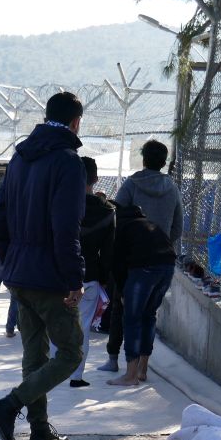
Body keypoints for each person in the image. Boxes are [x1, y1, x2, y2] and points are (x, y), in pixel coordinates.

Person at [0, 92, 86, 440]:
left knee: (34, 355)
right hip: (51, 278)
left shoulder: (19, 158)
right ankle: (8, 406)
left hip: (19, 273)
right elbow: (66, 228)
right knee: (71, 353)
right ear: (76, 122)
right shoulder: (68, 162)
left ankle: (40, 432)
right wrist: (74, 279)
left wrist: (11, 256)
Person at [50, 157, 115, 387]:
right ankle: (76, 377)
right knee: (83, 327)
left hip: (59, 273)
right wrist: (104, 279)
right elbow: (108, 251)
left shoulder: (60, 204)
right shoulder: (107, 211)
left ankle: (53, 373)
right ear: (95, 179)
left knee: (57, 324)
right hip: (90, 276)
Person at [106, 203, 175, 386]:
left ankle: (130, 375)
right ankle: (142, 370)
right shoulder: (150, 224)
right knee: (149, 315)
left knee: (132, 318)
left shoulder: (122, 227)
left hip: (144, 269)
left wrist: (122, 292)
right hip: (168, 266)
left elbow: (117, 264)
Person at [114, 140, 182, 244]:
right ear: (164, 164)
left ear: (143, 161)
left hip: (133, 249)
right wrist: (162, 242)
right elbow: (178, 228)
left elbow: (116, 216)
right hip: (162, 250)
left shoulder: (131, 184)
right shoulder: (173, 189)